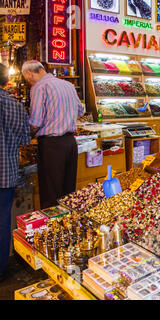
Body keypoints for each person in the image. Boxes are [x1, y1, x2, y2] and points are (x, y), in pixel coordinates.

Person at [22, 61, 85, 209]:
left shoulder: (39, 87)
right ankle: (68, 227)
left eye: (26, 78)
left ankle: (51, 227)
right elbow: (81, 111)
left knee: (51, 194)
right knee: (68, 193)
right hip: (70, 143)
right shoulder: (68, 85)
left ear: (30, 73)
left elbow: (36, 121)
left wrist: (25, 137)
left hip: (52, 146)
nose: (28, 81)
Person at [0, 63, 31, 281]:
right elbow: (24, 140)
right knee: (3, 222)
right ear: (6, 81)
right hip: (6, 173)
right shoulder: (15, 106)